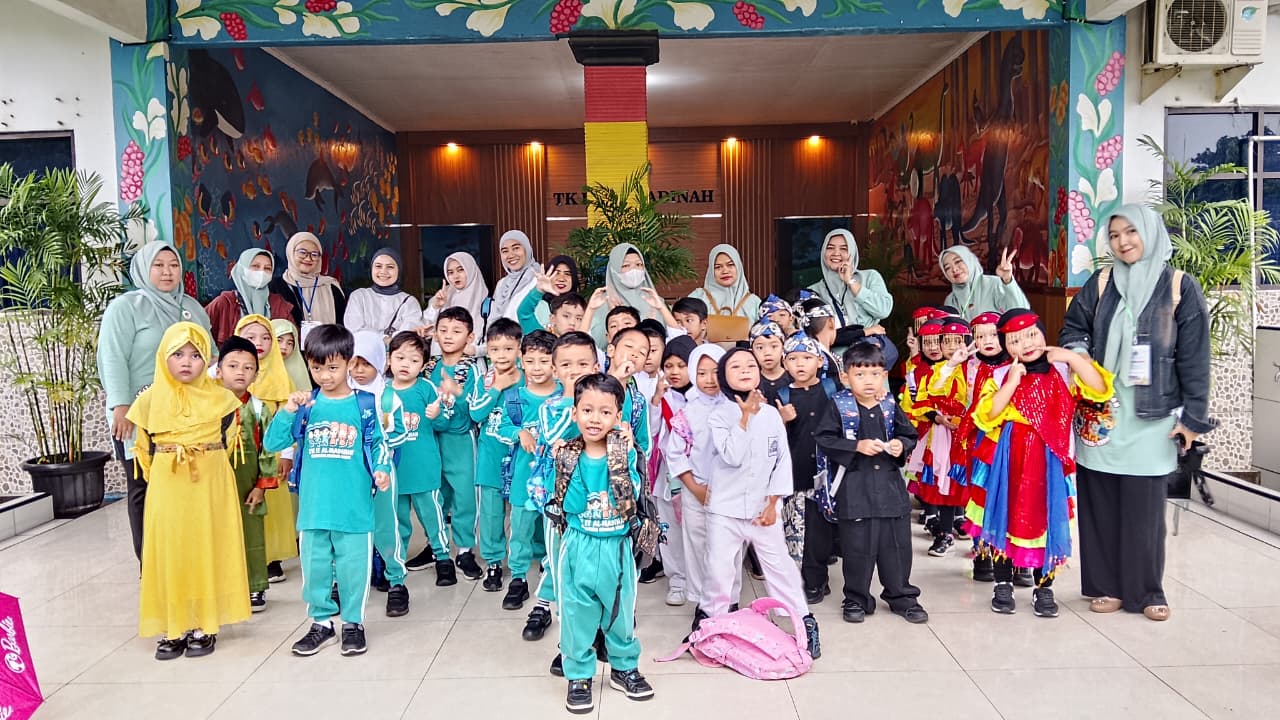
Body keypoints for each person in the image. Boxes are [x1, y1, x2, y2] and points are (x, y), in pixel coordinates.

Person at [1060, 204, 1212, 622]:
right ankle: (1105, 586)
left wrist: (1193, 418)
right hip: (1102, 410)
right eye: (1114, 235)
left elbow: (1196, 359)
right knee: (1101, 501)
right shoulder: (1101, 282)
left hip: (1154, 414)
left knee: (1145, 508)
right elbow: (1074, 329)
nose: (1123, 241)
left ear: (1149, 233)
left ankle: (1146, 591)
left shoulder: (1180, 286)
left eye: (1131, 232)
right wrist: (1080, 360)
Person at [971, 309, 1112, 618]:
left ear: (1043, 335)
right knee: (1003, 517)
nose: (1026, 343)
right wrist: (1011, 382)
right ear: (1007, 346)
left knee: (1048, 520)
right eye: (1016, 340)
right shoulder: (999, 375)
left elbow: (1100, 388)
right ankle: (1003, 584)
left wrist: (1073, 358)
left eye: (1032, 334)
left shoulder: (1062, 371)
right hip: (1010, 460)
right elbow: (986, 415)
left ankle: (1044, 588)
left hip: (1050, 460)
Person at [264, 324, 393, 657]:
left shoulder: (365, 404)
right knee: (316, 567)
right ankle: (321, 623)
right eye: (316, 367)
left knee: (353, 568)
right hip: (314, 508)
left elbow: (380, 444)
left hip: (354, 506)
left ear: (349, 363)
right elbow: (273, 443)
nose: (324, 375)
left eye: (332, 367)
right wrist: (287, 411)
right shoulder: (306, 406)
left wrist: (381, 470)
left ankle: (353, 623)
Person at [129, 322, 248, 659]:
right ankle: (173, 625)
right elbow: (143, 452)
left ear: (206, 360)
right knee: (171, 549)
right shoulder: (148, 401)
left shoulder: (221, 399)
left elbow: (229, 441)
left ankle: (202, 624)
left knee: (205, 545)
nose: (186, 362)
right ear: (162, 357)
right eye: (177, 354)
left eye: (195, 355)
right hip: (168, 485)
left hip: (210, 483)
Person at [547, 373, 655, 714]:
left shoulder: (626, 452)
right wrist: (565, 461)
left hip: (616, 545)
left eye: (605, 412)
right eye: (588, 410)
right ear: (575, 413)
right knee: (577, 612)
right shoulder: (568, 454)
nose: (596, 419)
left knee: (620, 612)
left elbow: (633, 494)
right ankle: (578, 674)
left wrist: (621, 456)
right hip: (578, 542)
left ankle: (624, 667)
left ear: (618, 417)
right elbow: (571, 503)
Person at [98, 240, 211, 562]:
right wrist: (120, 405)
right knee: (143, 487)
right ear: (143, 269)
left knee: (183, 487)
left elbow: (210, 355)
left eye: (173, 265)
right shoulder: (126, 307)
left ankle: (181, 558)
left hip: (187, 416)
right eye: (158, 265)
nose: (167, 272)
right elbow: (113, 358)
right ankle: (150, 562)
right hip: (139, 412)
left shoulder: (191, 307)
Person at [704, 348, 821, 659]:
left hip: (763, 510)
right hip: (725, 510)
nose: (745, 370)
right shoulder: (717, 415)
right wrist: (744, 417)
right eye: (736, 366)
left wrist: (773, 502)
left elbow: (781, 461)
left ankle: (803, 622)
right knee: (720, 570)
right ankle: (712, 623)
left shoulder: (771, 415)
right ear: (724, 376)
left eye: (750, 365)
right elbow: (731, 455)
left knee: (780, 567)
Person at [814, 342, 927, 624]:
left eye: (875, 374)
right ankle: (856, 598)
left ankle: (902, 596)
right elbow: (824, 439)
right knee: (857, 550)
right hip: (856, 491)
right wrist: (855, 447)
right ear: (845, 377)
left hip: (890, 491)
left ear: (884, 375)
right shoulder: (838, 406)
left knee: (896, 549)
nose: (868, 381)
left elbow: (909, 434)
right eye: (860, 374)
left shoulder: (889, 405)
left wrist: (901, 445)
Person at [664, 344, 741, 632]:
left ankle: (730, 601)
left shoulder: (737, 408)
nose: (709, 379)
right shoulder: (687, 413)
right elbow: (676, 453)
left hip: (731, 493)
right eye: (702, 372)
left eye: (715, 372)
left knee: (729, 549)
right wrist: (694, 488)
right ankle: (704, 605)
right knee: (697, 547)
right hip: (696, 489)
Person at [494, 330, 560, 611]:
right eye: (530, 361)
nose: (536, 368)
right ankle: (518, 578)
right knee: (519, 530)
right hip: (523, 478)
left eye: (544, 361)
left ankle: (550, 575)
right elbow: (500, 426)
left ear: (555, 363)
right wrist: (519, 431)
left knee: (552, 529)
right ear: (521, 360)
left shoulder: (563, 396)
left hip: (554, 481)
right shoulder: (514, 397)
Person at [348, 331, 411, 615]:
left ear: (378, 362)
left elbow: (399, 433)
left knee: (387, 525)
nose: (358, 370)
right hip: (349, 474)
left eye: (365, 363)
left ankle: (396, 581)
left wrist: (377, 444)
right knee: (347, 528)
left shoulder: (387, 397)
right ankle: (343, 582)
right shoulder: (343, 393)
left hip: (382, 471)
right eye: (353, 363)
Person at [215, 335, 278, 614]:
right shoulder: (210, 406)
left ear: (256, 373)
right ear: (219, 371)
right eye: (233, 365)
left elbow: (268, 448)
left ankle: (255, 585)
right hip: (216, 479)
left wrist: (261, 485)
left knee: (251, 532)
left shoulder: (259, 408)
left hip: (247, 480)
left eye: (248, 367)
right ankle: (223, 584)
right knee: (219, 532)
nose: (240, 372)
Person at [773, 333, 838, 598]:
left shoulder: (833, 389)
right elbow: (772, 438)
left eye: (807, 358)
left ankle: (817, 579)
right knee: (795, 531)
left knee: (820, 532)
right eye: (793, 358)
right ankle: (799, 582)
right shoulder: (782, 394)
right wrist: (782, 420)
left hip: (825, 474)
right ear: (785, 363)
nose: (800, 364)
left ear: (820, 361)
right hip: (795, 475)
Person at [234, 315, 298, 583]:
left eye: (266, 337)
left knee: (273, 506)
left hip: (271, 453)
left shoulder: (281, 378)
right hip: (239, 453)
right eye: (251, 337)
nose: (259, 343)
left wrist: (287, 454)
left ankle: (271, 558)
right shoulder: (229, 375)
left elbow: (291, 417)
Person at [424, 306, 486, 581]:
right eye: (444, 330)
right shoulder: (427, 367)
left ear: (469, 337)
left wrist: (455, 394)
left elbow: (476, 407)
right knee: (435, 494)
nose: (449, 336)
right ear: (435, 334)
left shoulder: (471, 369)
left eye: (457, 331)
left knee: (464, 495)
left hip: (460, 439)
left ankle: (464, 549)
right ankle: (435, 545)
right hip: (430, 439)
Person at [386, 332, 451, 586]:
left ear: (423, 366)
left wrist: (436, 414)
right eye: (399, 357)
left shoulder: (426, 388)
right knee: (397, 520)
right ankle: (396, 565)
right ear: (389, 359)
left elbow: (443, 423)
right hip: (394, 470)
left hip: (424, 468)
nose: (405, 364)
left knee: (432, 516)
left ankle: (443, 558)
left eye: (413, 360)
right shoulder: (382, 391)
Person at [470, 318, 526, 591]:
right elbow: (476, 413)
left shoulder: (529, 377)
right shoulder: (484, 380)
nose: (501, 355)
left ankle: (523, 559)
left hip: (519, 456)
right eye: (495, 349)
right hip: (490, 457)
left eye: (508, 348)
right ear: (487, 351)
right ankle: (493, 562)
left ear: (519, 349)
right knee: (491, 513)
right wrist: (496, 388)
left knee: (520, 510)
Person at [651, 335, 697, 607]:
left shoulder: (706, 396)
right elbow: (652, 433)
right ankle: (677, 581)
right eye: (669, 365)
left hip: (697, 477)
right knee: (670, 532)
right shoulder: (662, 397)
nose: (675, 372)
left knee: (698, 532)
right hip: (667, 476)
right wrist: (656, 402)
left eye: (682, 365)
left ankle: (698, 580)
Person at [806, 228, 893, 330]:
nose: (836, 253)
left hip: (869, 345)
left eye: (844, 248)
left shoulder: (870, 277)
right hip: (833, 346)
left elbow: (883, 311)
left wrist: (850, 281)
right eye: (830, 248)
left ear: (852, 253)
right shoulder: (813, 291)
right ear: (823, 253)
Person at [206, 247, 294, 346]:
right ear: (242, 269)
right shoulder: (225, 303)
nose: (261, 272)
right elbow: (200, 333)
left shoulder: (278, 304)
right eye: (255, 266)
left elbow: (292, 338)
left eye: (267, 268)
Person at [344, 247, 427, 341]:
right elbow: (354, 329)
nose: (383, 271)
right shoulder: (359, 296)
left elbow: (407, 334)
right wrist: (384, 338)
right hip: (363, 354)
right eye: (378, 266)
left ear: (399, 270)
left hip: (397, 354)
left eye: (390, 267)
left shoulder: (409, 302)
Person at [270, 231, 346, 332]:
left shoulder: (331, 287)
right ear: (290, 253)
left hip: (329, 346)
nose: (308, 258)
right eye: (302, 252)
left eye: (314, 254)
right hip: (287, 347)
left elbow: (342, 325)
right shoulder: (275, 287)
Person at [588, 244, 662, 346]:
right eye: (626, 265)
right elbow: (590, 342)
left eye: (639, 265)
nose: (634, 270)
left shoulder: (657, 302)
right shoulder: (600, 303)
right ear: (613, 270)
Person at [425, 252, 490, 356]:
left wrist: (475, 351)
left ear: (471, 270)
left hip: (470, 366)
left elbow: (495, 341)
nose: (455, 276)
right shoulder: (443, 298)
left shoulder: (488, 305)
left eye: (460, 270)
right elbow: (426, 331)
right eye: (450, 272)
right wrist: (435, 307)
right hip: (441, 364)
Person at [939, 246, 1028, 321]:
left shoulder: (993, 284)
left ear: (969, 260)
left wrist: (1007, 280)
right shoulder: (950, 300)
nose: (954, 269)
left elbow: (1020, 312)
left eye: (958, 261)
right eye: (947, 268)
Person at [688, 244, 762, 323]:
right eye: (718, 267)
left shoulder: (754, 302)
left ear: (739, 267)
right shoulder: (698, 297)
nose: (725, 271)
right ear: (711, 271)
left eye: (730, 265)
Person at [517, 256, 581, 333]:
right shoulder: (538, 305)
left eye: (567, 274)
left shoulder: (581, 307)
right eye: (556, 273)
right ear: (552, 318)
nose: (561, 279)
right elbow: (524, 313)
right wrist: (539, 290)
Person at [491, 230, 539, 322]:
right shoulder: (502, 284)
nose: (511, 255)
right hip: (501, 334)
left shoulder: (538, 279)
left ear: (527, 249)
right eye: (505, 251)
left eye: (516, 248)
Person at [750, 320, 790, 404]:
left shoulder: (795, 379)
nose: (767, 353)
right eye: (760, 348)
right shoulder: (750, 382)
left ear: (783, 348)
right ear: (752, 351)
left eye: (774, 346)